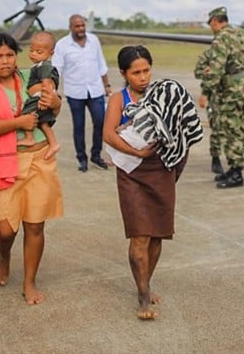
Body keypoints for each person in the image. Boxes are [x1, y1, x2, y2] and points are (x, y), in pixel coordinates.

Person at [103, 45, 200, 320]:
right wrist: (137, 152)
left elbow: (182, 131)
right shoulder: (118, 99)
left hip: (161, 169)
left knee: (157, 234)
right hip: (132, 172)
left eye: (146, 70)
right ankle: (143, 295)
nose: (143, 77)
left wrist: (174, 168)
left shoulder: (164, 94)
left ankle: (145, 281)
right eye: (136, 73)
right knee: (139, 235)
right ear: (124, 73)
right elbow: (109, 135)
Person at [0, 31, 64, 305]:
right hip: (6, 161)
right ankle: (4, 254)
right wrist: (18, 123)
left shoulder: (28, 77)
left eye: (10, 55)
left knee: (35, 226)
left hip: (39, 158)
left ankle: (29, 281)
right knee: (6, 229)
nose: (6, 61)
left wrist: (54, 102)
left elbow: (52, 107)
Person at [197, 6, 244, 188]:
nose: (210, 27)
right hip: (243, 87)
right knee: (240, 127)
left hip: (230, 91)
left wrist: (206, 91)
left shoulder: (221, 38)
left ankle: (236, 173)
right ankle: (233, 168)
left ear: (215, 21)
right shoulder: (240, 35)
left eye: (210, 23)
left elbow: (216, 68)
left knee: (231, 130)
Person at [53, 14, 111, 172]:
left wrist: (107, 85)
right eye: (77, 26)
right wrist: (53, 89)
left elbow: (101, 64)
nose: (81, 29)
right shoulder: (62, 45)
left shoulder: (94, 41)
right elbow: (57, 68)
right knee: (79, 126)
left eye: (82, 25)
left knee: (100, 122)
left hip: (95, 89)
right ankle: (82, 159)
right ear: (70, 27)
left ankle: (96, 155)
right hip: (75, 91)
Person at [18, 31, 61, 160]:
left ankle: (29, 138)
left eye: (39, 52)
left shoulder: (44, 66)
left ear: (51, 53)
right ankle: (53, 143)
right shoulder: (38, 65)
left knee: (26, 114)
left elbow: (47, 83)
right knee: (44, 123)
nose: (33, 54)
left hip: (39, 98)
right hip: (40, 97)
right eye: (31, 50)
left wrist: (44, 99)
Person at [194, 48, 223, 175]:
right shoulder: (209, 54)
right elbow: (197, 72)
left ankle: (235, 161)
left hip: (233, 96)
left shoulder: (234, 52)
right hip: (215, 96)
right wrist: (205, 72)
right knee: (216, 129)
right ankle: (216, 159)